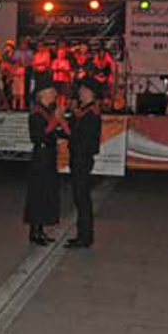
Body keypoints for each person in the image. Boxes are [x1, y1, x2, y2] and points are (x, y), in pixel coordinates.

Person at [24, 78, 70, 246]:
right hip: (41, 156)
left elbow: (52, 131)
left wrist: (61, 127)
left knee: (45, 193)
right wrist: (55, 120)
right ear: (44, 94)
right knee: (39, 193)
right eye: (52, 92)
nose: (55, 95)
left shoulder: (46, 111)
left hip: (48, 155)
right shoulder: (37, 113)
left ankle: (39, 229)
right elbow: (38, 136)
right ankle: (35, 231)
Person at [65, 78, 102, 249]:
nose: (79, 93)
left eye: (82, 90)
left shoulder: (91, 112)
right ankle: (83, 235)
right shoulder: (85, 111)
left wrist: (67, 127)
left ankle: (85, 237)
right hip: (80, 157)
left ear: (89, 92)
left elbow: (78, 135)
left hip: (82, 158)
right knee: (80, 198)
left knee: (82, 198)